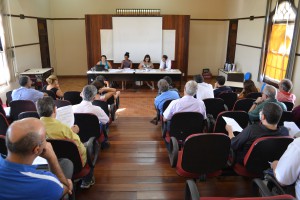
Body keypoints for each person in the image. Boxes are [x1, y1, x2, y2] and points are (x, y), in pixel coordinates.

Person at [0, 118, 73, 199]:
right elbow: (66, 187)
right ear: (37, 149)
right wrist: (52, 157)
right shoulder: (47, 183)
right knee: (67, 165)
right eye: (45, 137)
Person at [36, 97, 95, 189]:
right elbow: (79, 147)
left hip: (44, 166)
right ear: (55, 109)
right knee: (87, 147)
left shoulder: (33, 128)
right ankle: (87, 179)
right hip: (74, 164)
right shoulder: (64, 128)